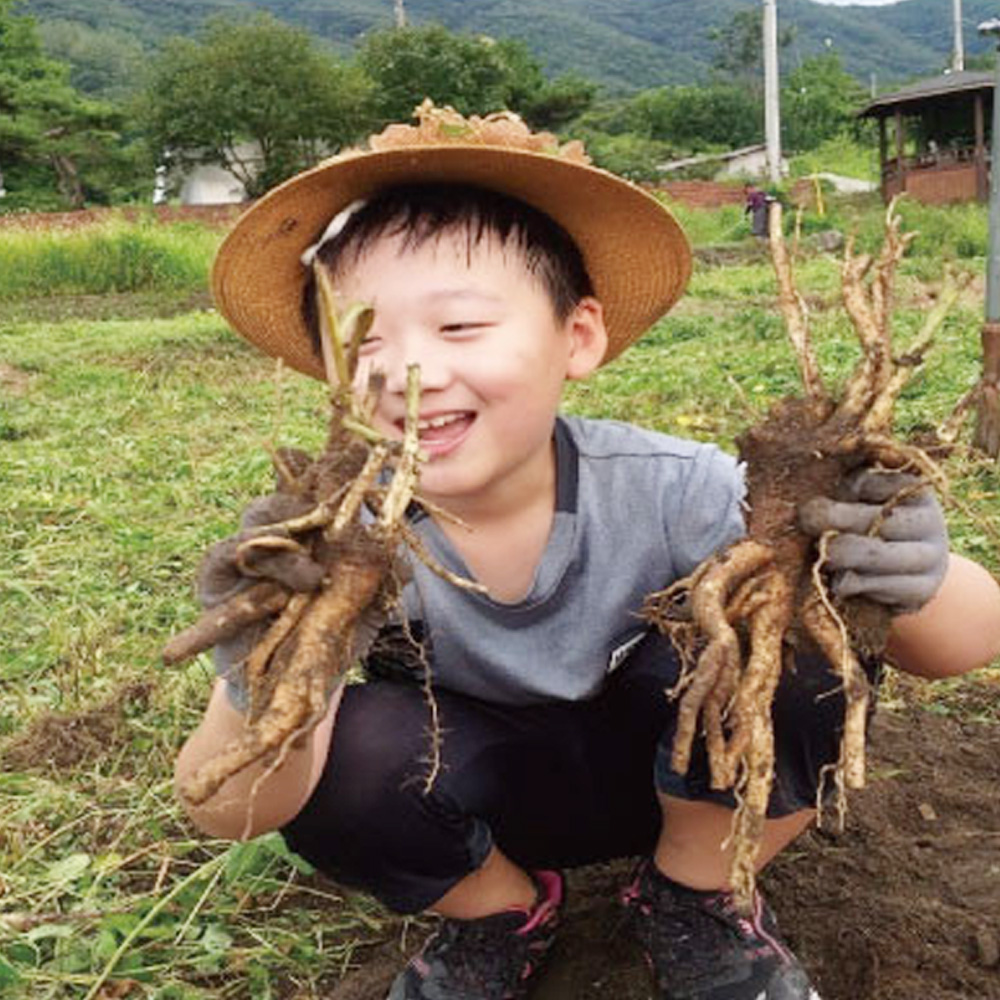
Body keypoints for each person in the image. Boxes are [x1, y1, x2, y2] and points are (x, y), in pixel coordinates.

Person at [174, 104, 1000, 1000]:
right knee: (352, 758)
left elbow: (962, 647)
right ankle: (498, 913)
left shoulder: (671, 486)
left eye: (458, 328)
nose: (407, 372)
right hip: (483, 794)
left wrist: (904, 573)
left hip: (678, 782)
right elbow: (229, 806)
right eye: (361, 340)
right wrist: (271, 665)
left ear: (579, 337)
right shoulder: (331, 544)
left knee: (799, 644)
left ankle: (693, 896)